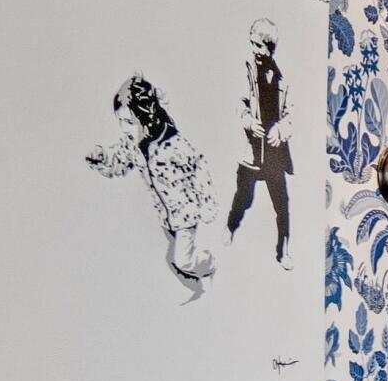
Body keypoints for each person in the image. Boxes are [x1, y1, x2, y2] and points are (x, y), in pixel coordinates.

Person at [87, 74, 218, 300]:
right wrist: (102, 158)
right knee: (173, 254)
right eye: (120, 122)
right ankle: (196, 278)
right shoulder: (134, 145)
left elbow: (199, 166)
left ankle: (209, 263)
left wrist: (207, 204)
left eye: (129, 122)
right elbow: (118, 161)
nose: (124, 129)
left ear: (146, 117)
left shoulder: (173, 144)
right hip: (165, 217)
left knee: (182, 260)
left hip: (185, 215)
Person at [226, 19, 295, 263]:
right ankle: (229, 229)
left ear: (270, 48)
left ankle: (283, 251)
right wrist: (247, 120)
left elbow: (291, 116)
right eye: (252, 44)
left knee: (282, 205)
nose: (255, 50)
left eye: (260, 46)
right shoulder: (246, 70)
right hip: (252, 152)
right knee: (243, 198)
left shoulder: (282, 77)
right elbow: (239, 104)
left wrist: (281, 129)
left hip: (275, 154)